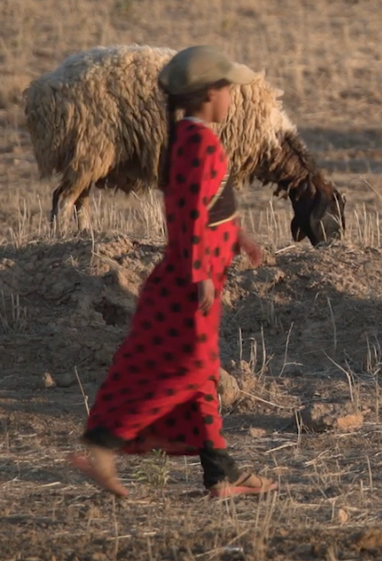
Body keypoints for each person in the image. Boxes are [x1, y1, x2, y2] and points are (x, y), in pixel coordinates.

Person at [69, 45, 277, 498]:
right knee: (186, 372)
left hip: (192, 278)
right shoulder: (198, 143)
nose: (232, 98)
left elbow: (209, 206)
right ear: (207, 95)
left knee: (201, 378)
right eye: (227, 89)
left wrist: (237, 238)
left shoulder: (193, 139)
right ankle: (103, 447)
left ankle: (221, 474)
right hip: (188, 284)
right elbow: (186, 214)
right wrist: (201, 271)